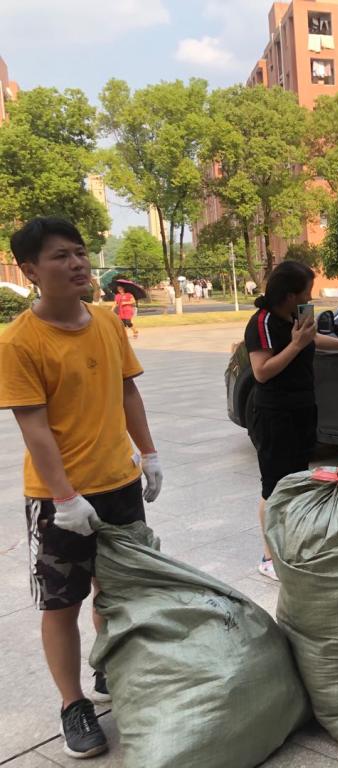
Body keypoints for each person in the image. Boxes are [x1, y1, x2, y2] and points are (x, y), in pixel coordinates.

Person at [0, 217, 164, 759]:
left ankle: (110, 668)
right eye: (60, 256)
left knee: (117, 591)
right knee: (61, 604)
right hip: (59, 498)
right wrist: (65, 497)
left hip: (120, 483)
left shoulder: (107, 322)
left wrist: (149, 454)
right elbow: (34, 427)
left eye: (80, 252)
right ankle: (73, 705)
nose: (76, 264)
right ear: (30, 271)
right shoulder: (18, 342)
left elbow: (128, 392)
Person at [245, 260, 338, 580]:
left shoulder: (297, 315)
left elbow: (314, 340)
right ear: (289, 294)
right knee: (274, 486)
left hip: (302, 409)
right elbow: (262, 372)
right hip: (274, 414)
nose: (309, 297)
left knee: (298, 480)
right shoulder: (261, 322)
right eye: (306, 291)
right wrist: (295, 344)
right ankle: (268, 557)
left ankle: (293, 544)